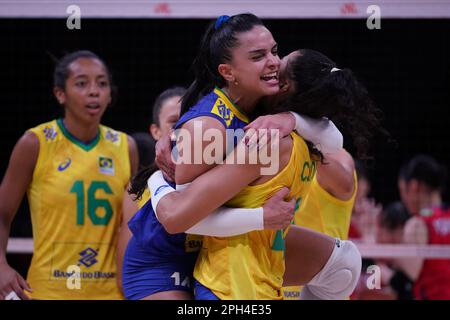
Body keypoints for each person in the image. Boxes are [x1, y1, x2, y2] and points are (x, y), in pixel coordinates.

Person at [143, 15, 386, 300]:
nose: (273, 61)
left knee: (344, 261)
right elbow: (180, 219)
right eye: (259, 55)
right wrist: (155, 177)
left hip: (229, 248)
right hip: (168, 248)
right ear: (228, 71)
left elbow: (334, 139)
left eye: (274, 50)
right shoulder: (210, 125)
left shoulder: (270, 112)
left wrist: (290, 119)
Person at [0, 50, 138, 300]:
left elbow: (131, 226)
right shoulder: (35, 143)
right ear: (60, 94)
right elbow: (2, 214)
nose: (94, 91)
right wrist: (0, 266)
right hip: (48, 291)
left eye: (102, 83)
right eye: (82, 83)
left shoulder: (125, 146)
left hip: (110, 293)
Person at [116, 87, 185, 293]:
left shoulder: (216, 175)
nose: (183, 129)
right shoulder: (139, 187)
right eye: (174, 122)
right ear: (156, 131)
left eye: (189, 121)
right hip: (159, 284)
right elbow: (124, 269)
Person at [281, 148, 357, 300]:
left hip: (323, 291)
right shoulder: (281, 152)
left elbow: (345, 185)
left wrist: (309, 144)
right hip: (273, 288)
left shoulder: (337, 155)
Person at [396, 155, 450, 299]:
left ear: (414, 186)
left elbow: (412, 271)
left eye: (402, 191)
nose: (404, 201)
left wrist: (386, 248)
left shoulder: (417, 224)